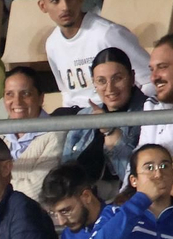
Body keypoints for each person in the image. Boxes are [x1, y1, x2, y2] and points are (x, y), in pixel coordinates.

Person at [37, 0, 152, 109]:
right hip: (76, 117)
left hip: (110, 113)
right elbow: (67, 93)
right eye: (55, 0)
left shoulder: (107, 33)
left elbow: (149, 79)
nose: (65, 7)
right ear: (43, 6)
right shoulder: (52, 44)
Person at [61, 47, 151, 187]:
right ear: (94, 83)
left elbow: (136, 179)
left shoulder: (151, 113)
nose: (110, 89)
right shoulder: (84, 115)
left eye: (117, 78)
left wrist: (110, 132)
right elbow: (65, 172)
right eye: (101, 81)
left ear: (132, 78)